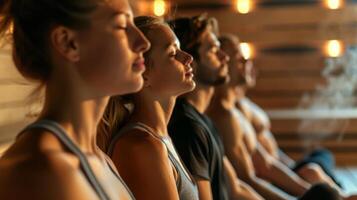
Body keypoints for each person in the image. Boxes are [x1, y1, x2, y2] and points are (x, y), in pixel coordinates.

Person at [0, 0, 150, 199]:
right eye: (122, 25)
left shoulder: (100, 158)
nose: (143, 42)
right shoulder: (41, 173)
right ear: (67, 42)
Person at [207, 33, 343, 200]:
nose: (246, 62)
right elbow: (247, 180)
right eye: (238, 58)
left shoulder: (234, 112)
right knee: (318, 178)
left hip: (281, 177)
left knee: (321, 163)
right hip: (269, 189)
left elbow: (267, 163)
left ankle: (339, 193)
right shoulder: (223, 117)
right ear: (224, 63)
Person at [97, 16, 199, 200]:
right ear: (144, 75)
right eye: (173, 53)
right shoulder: (142, 146)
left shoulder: (159, 138)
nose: (188, 57)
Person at [168, 14, 264, 200]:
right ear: (191, 62)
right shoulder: (188, 128)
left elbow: (235, 189)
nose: (224, 57)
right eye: (213, 50)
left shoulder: (204, 121)